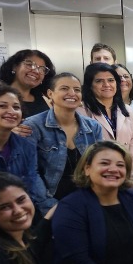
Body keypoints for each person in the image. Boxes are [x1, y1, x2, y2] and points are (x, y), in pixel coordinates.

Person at [23, 73, 102, 202]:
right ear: (50, 94)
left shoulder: (93, 127)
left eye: (77, 90)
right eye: (64, 88)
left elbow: (99, 165)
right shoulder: (33, 126)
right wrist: (48, 205)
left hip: (88, 199)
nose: (72, 93)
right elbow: (30, 171)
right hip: (49, 200)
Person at [0, 83, 51, 212]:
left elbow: (29, 189)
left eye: (16, 107)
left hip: (16, 214)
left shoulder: (27, 147)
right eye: (2, 106)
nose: (11, 111)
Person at [79, 63, 133, 174]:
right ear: (90, 85)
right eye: (99, 81)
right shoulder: (81, 111)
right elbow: (83, 150)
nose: (106, 84)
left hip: (126, 175)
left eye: (111, 80)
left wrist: (127, 174)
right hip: (96, 177)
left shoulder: (127, 110)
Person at [0, 49, 55, 118]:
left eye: (42, 69)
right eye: (29, 64)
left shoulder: (46, 101)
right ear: (14, 67)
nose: (36, 71)